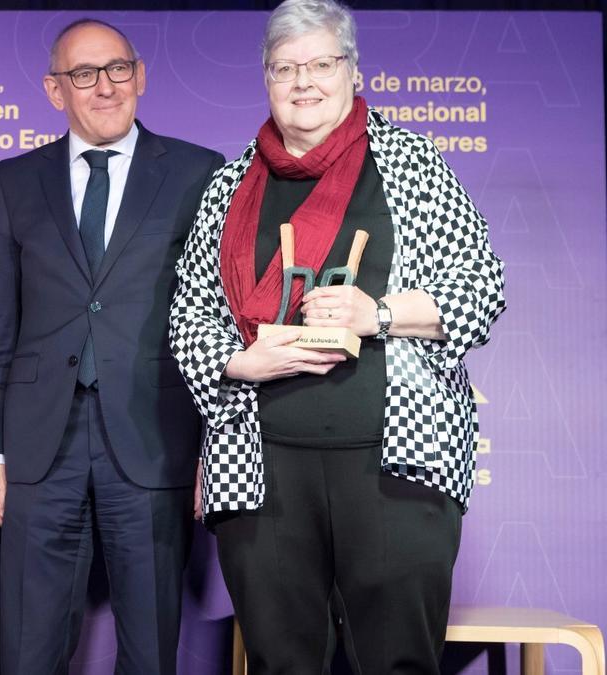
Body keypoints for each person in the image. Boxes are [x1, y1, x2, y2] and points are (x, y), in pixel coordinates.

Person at [169, 0, 506, 672]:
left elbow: (482, 291)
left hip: (396, 465)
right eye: (285, 67)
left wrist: (374, 313)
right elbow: (187, 315)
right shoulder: (232, 184)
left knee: (397, 660)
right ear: (266, 80)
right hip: (260, 465)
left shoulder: (410, 165)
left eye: (322, 63)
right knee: (280, 661)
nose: (304, 81)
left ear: (353, 72)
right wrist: (241, 359)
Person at [0, 18, 224, 675]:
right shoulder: (15, 180)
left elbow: (217, 319)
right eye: (84, 74)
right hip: (35, 444)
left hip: (154, 435)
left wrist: (211, 446)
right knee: (28, 649)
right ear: (57, 90)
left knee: (149, 648)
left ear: (140, 75)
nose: (104, 86)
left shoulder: (200, 172)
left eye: (116, 69)